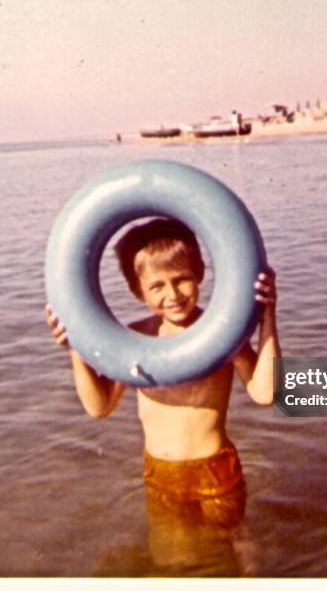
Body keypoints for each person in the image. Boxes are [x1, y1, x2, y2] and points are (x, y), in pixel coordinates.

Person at [44, 218, 279, 535]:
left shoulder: (218, 331)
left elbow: (265, 393)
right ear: (137, 290)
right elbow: (99, 406)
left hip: (213, 468)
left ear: (199, 273)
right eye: (157, 286)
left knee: (232, 549)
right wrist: (77, 346)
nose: (173, 294)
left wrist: (267, 317)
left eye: (181, 279)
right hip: (159, 471)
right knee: (173, 558)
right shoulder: (135, 339)